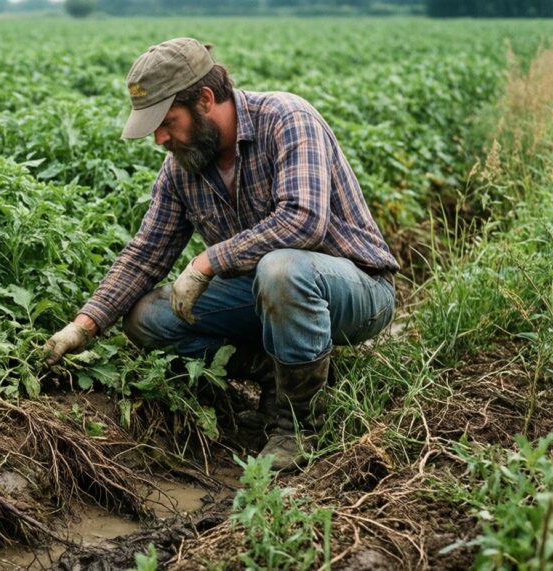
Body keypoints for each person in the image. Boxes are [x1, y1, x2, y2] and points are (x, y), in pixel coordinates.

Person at [42, 37, 399, 471]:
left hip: (357, 291)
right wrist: (82, 326)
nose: (159, 138)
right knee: (147, 318)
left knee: (281, 268)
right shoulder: (182, 168)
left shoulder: (287, 118)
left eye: (167, 122)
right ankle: (278, 374)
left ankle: (299, 426)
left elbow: (303, 221)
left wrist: (208, 262)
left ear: (205, 100)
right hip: (268, 294)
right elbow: (145, 254)